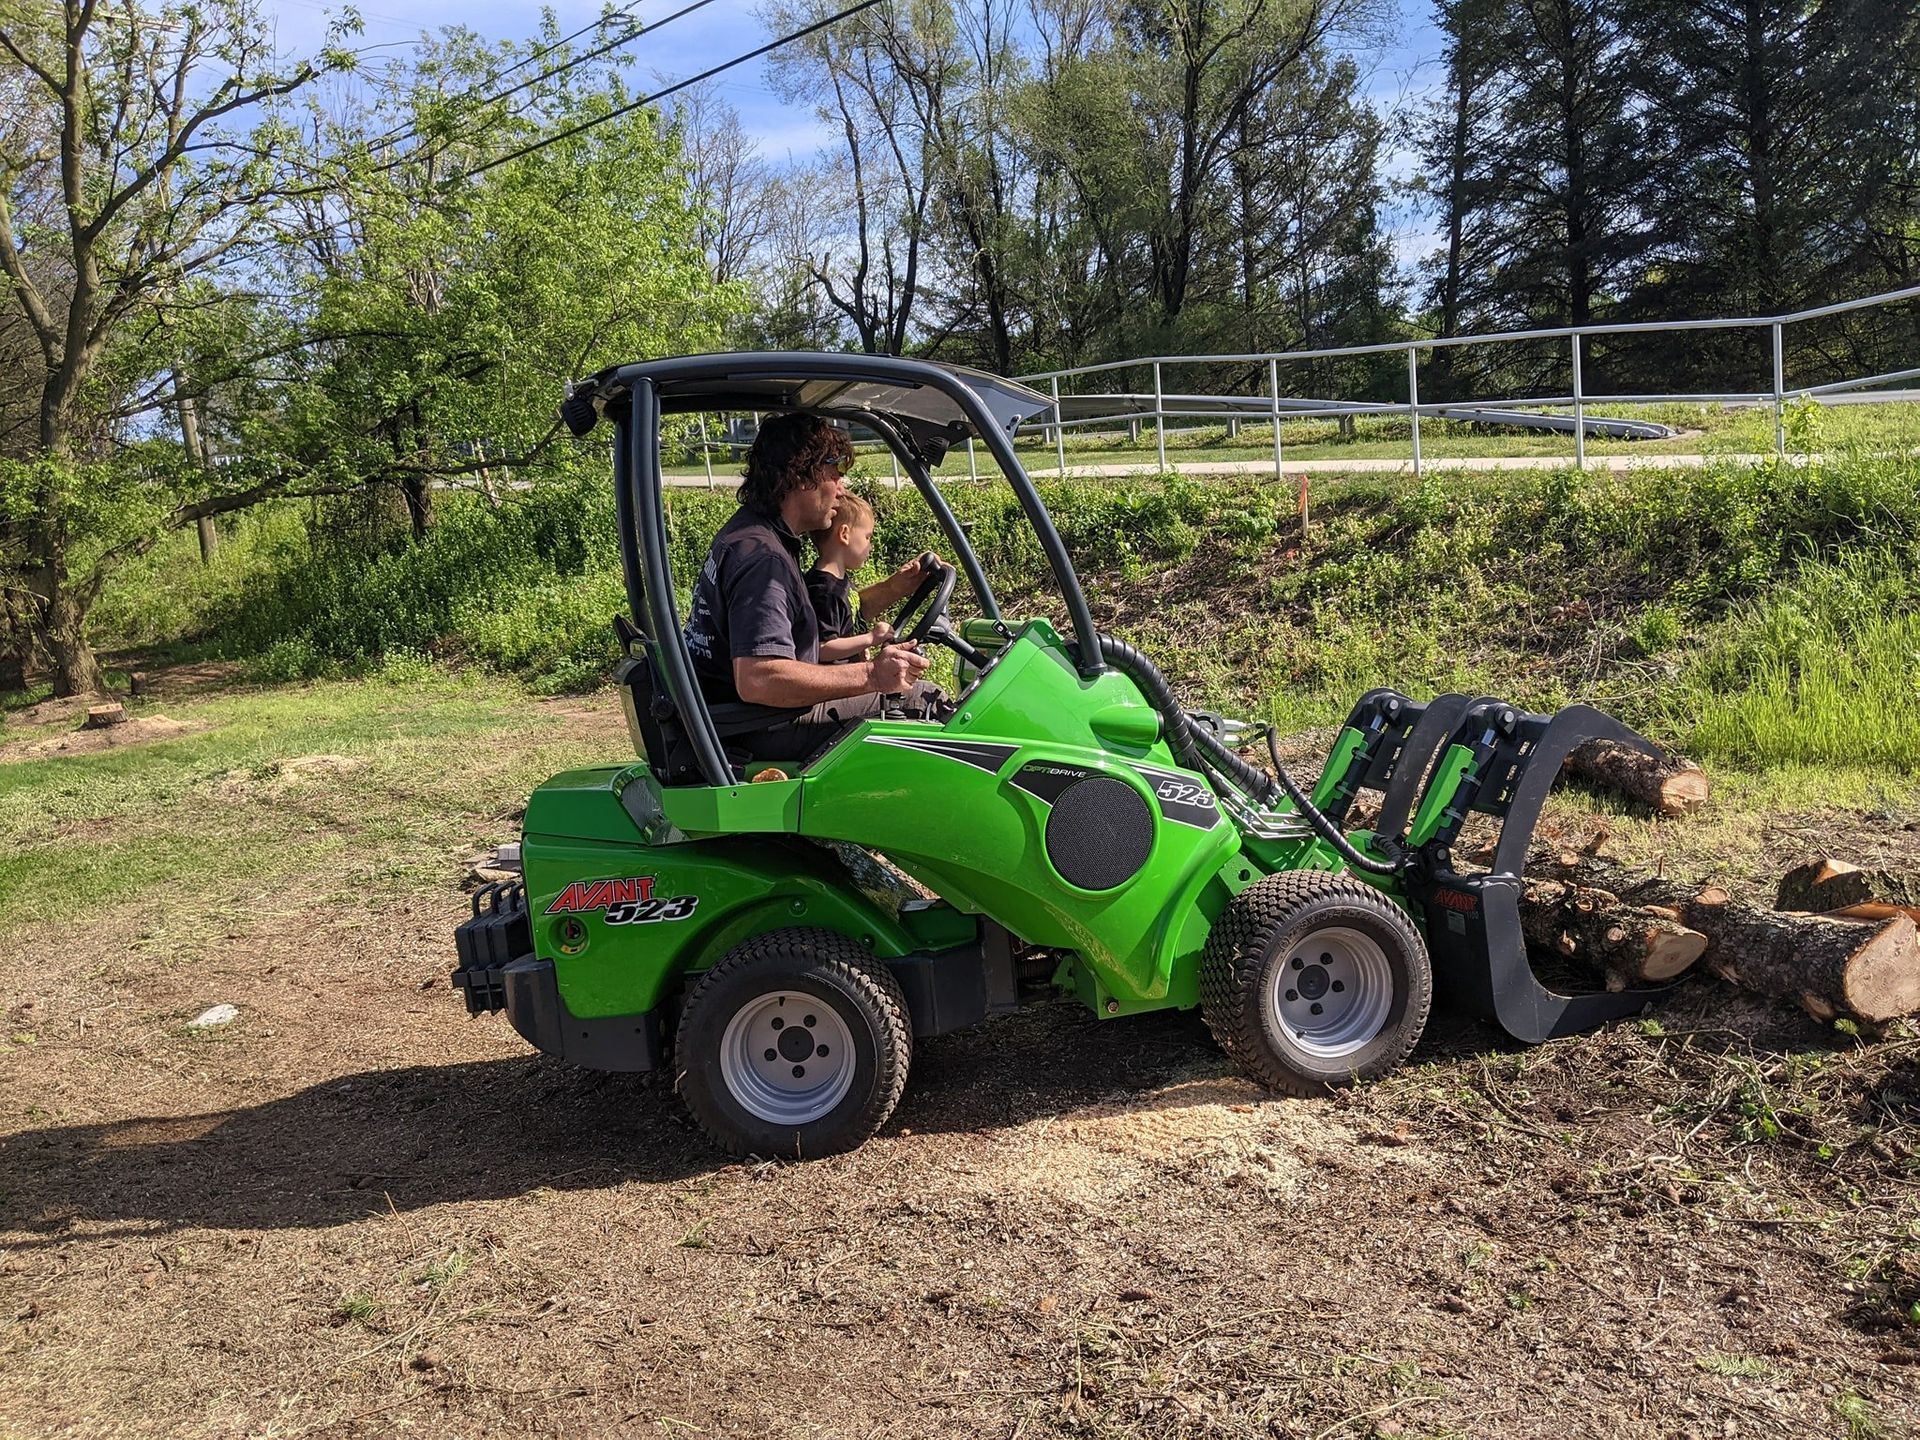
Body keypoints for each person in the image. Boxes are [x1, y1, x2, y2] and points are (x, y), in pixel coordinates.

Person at [680, 413, 944, 763]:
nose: (841, 488)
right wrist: (872, 674)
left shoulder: (755, 535)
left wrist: (896, 586)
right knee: (927, 702)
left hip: (744, 716)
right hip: (764, 723)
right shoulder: (762, 559)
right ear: (800, 475)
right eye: (834, 474)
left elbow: (839, 609)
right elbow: (759, 678)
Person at [804, 492, 939, 662]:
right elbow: (821, 648)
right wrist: (869, 638)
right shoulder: (824, 590)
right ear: (844, 534)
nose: (871, 546)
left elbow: (847, 624)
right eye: (867, 537)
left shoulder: (839, 580)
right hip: (840, 683)